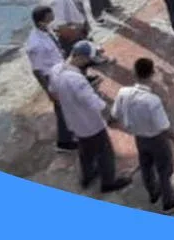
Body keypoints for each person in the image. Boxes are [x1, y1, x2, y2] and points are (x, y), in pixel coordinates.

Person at [112, 57, 174, 212]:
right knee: (165, 170)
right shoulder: (152, 101)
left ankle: (153, 192)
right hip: (157, 139)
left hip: (139, 137)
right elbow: (165, 129)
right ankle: (169, 200)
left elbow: (114, 115)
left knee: (146, 166)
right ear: (152, 73)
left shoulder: (123, 92)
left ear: (134, 73)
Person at [49, 42, 132, 193]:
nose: (89, 62)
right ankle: (108, 182)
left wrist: (70, 100)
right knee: (105, 152)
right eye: (88, 59)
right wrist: (112, 116)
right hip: (90, 124)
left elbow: (53, 93)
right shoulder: (76, 79)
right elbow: (95, 104)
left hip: (73, 121)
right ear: (80, 57)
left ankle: (87, 176)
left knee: (85, 151)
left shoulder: (55, 70)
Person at [25, 6, 78, 152]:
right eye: (50, 16)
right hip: (52, 78)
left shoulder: (46, 31)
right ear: (41, 20)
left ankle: (71, 131)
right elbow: (37, 70)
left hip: (61, 72)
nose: (53, 17)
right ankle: (64, 142)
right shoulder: (35, 44)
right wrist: (49, 91)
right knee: (61, 109)